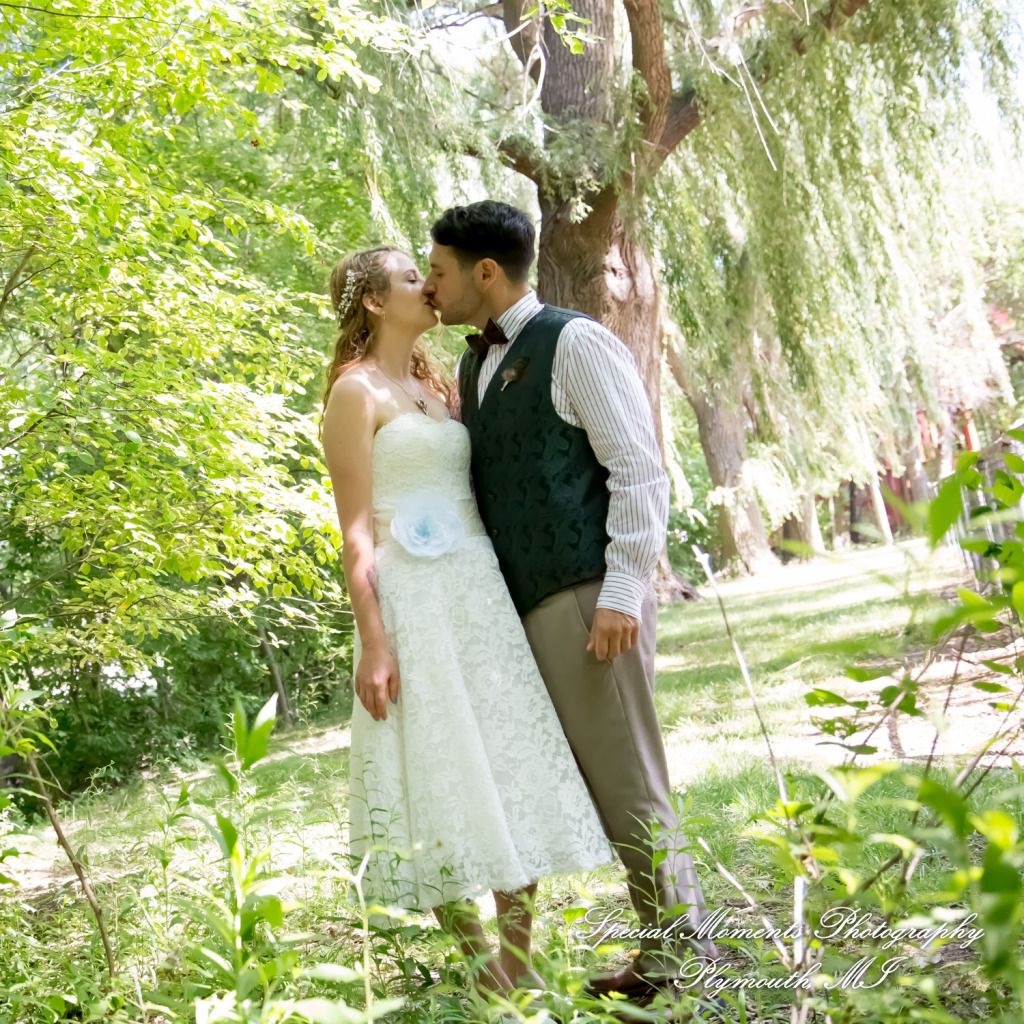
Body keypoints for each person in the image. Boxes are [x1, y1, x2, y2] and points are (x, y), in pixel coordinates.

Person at [422, 200, 721, 1005]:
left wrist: (624, 589)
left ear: (486, 272)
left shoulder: (575, 342)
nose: (429, 286)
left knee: (629, 784)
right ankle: (667, 955)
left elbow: (638, 468)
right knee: (596, 786)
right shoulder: (472, 366)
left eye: (439, 271)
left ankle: (687, 961)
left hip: (591, 598)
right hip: (525, 606)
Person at [318, 245, 612, 1004]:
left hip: (476, 589)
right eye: (413, 277)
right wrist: (374, 639)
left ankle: (516, 960)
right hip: (410, 604)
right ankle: (478, 955)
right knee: (433, 767)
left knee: (511, 754)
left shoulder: (438, 385)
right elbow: (354, 529)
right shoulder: (354, 394)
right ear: (376, 302)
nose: (430, 284)